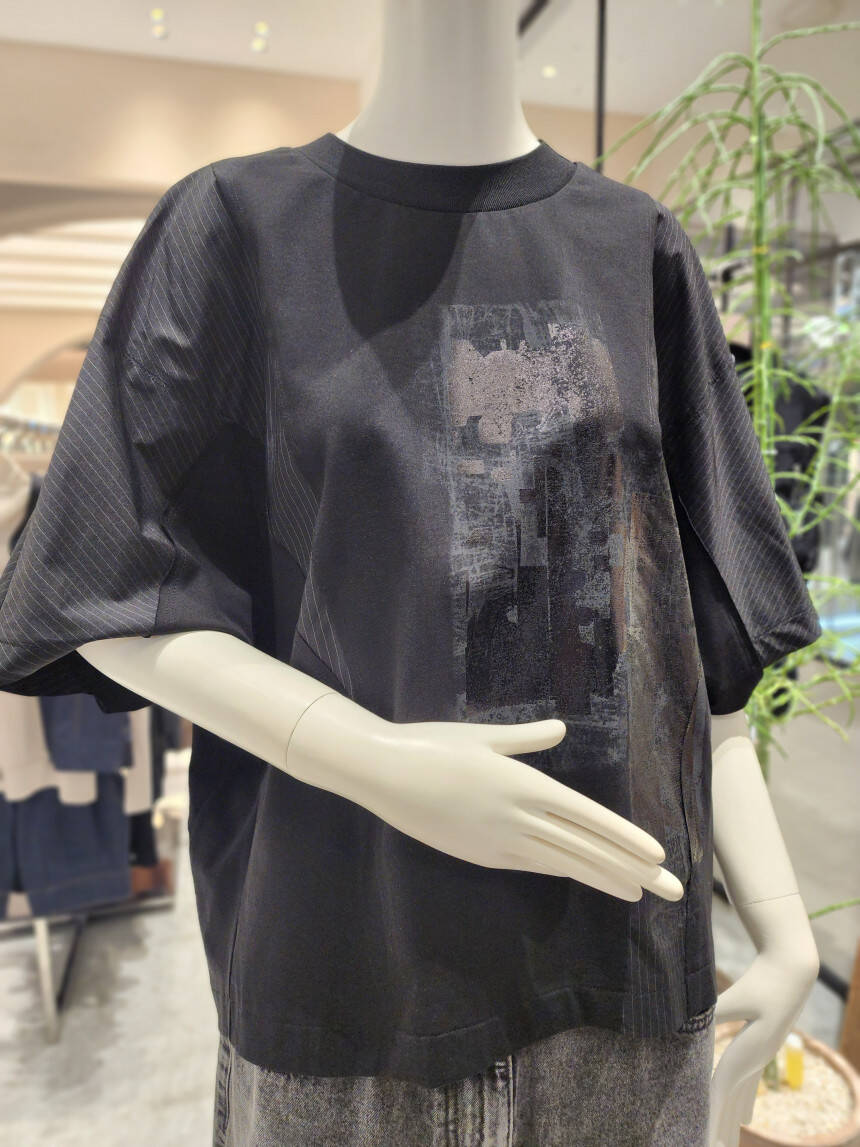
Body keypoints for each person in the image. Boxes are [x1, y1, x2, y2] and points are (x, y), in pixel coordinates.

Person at [0, 1, 822, 1143]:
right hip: (344, 982)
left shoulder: (636, 247)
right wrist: (377, 762)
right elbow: (102, 589)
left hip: (617, 987)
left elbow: (697, 632)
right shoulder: (232, 227)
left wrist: (780, 923)